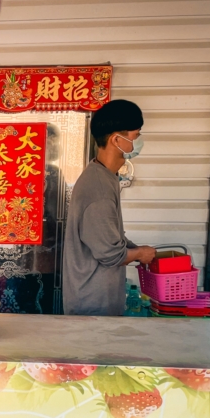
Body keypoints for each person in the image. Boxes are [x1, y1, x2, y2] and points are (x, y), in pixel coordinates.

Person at [63, 99, 156, 316]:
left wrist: (135, 248)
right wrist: (140, 253)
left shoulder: (104, 176)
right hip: (93, 305)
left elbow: (109, 236)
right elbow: (110, 255)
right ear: (116, 139)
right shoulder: (99, 191)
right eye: (136, 135)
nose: (138, 141)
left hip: (97, 299)